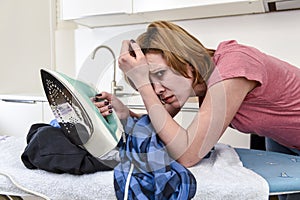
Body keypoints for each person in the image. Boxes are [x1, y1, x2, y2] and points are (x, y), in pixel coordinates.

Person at [93, 20, 300, 196]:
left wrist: (142, 84)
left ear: (186, 60)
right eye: (150, 81)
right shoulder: (205, 85)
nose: (157, 90)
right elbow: (160, 129)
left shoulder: (234, 67)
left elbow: (189, 154)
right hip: (284, 138)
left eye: (160, 74)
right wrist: (125, 114)